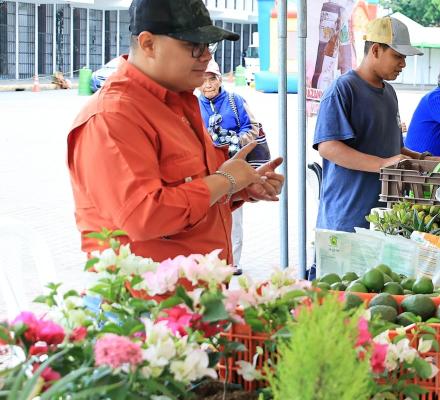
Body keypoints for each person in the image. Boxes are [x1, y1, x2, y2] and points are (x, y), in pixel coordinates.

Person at [67, 0, 284, 264]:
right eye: (193, 46)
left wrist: (240, 188)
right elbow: (145, 215)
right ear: (148, 44)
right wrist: (226, 179)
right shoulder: (113, 116)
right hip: (146, 299)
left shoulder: (179, 104)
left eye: (208, 46)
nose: (206, 57)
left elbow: (192, 192)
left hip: (196, 292)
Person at [314, 16, 428, 234]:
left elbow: (393, 149)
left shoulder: (390, 93)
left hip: (383, 220)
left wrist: (421, 158)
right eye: (398, 56)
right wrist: (384, 164)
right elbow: (327, 147)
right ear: (375, 50)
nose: (403, 64)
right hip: (346, 219)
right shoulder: (343, 89)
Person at [196, 59, 260, 276]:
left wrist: (238, 140)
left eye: (212, 79)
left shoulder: (234, 100)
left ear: (219, 79)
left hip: (234, 166)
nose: (208, 85)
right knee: (207, 217)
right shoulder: (193, 105)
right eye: (203, 81)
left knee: (234, 216)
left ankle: (232, 261)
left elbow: (252, 126)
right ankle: (209, 261)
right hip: (206, 170)